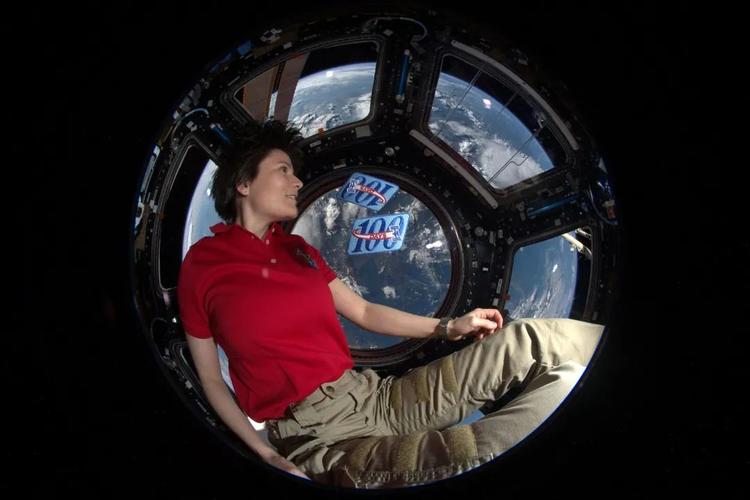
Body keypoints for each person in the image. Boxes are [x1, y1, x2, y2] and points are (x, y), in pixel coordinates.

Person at [177, 119, 605, 488]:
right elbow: (211, 379)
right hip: (321, 437)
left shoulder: (299, 251)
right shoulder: (203, 264)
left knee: (530, 342)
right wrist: (265, 454)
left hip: (375, 397)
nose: (298, 182)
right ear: (243, 183)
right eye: (283, 170)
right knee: (487, 446)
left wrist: (450, 326)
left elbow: (364, 312)